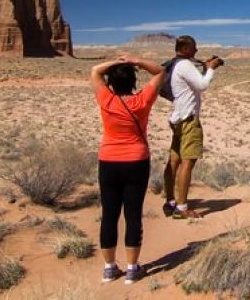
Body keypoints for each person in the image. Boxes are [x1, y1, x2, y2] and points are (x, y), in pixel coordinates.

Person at [90, 54, 164, 284]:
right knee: (133, 214)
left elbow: (95, 71)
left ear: (111, 83)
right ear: (133, 82)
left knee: (109, 215)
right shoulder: (142, 101)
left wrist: (115, 63)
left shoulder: (106, 100)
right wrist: (136, 61)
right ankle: (133, 269)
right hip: (136, 161)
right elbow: (160, 71)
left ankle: (110, 268)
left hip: (109, 161)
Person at [162, 35, 222, 219]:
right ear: (187, 48)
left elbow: (192, 85)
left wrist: (204, 68)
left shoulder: (174, 64)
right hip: (188, 120)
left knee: (174, 161)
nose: (196, 51)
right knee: (187, 162)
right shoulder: (185, 65)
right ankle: (182, 208)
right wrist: (211, 69)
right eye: (194, 48)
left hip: (178, 118)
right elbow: (202, 85)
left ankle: (171, 202)